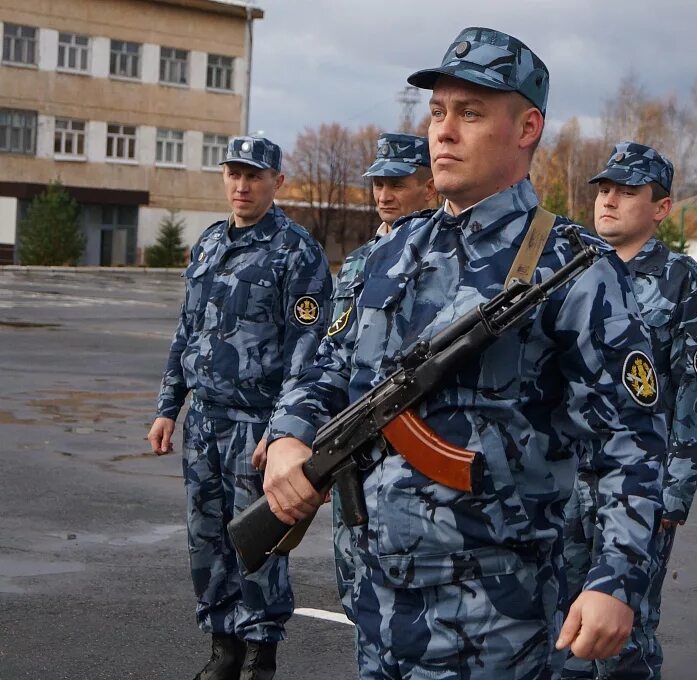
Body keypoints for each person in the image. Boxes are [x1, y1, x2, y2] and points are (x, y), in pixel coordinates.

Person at [262, 28, 667, 679]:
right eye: (437, 112)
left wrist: (615, 579)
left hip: (497, 619)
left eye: (471, 113)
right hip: (378, 602)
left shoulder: (572, 268)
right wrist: (289, 435)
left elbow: (634, 442)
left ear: (527, 127)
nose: (443, 133)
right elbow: (328, 369)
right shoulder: (389, 256)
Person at [147, 135, 332, 680]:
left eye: (254, 175)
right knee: (205, 537)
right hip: (204, 419)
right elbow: (188, 330)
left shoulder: (297, 251)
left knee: (258, 541)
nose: (242, 185)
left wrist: (282, 432)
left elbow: (309, 349)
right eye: (234, 174)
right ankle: (222, 646)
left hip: (257, 424)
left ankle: (259, 654)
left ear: (277, 181)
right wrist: (168, 406)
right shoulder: (207, 244)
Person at [562, 142, 697, 679]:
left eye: (627, 192)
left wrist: (673, 493)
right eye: (604, 189)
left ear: (661, 209)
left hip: (637, 489)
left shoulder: (684, 283)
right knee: (554, 631)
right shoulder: (572, 271)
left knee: (620, 638)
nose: (608, 201)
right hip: (562, 483)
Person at [329, 132, 436, 617]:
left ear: (430, 188)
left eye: (397, 183)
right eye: (378, 183)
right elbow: (333, 349)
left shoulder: (441, 259)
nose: (384, 195)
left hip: (409, 447)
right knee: (354, 583)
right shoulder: (359, 262)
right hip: (351, 437)